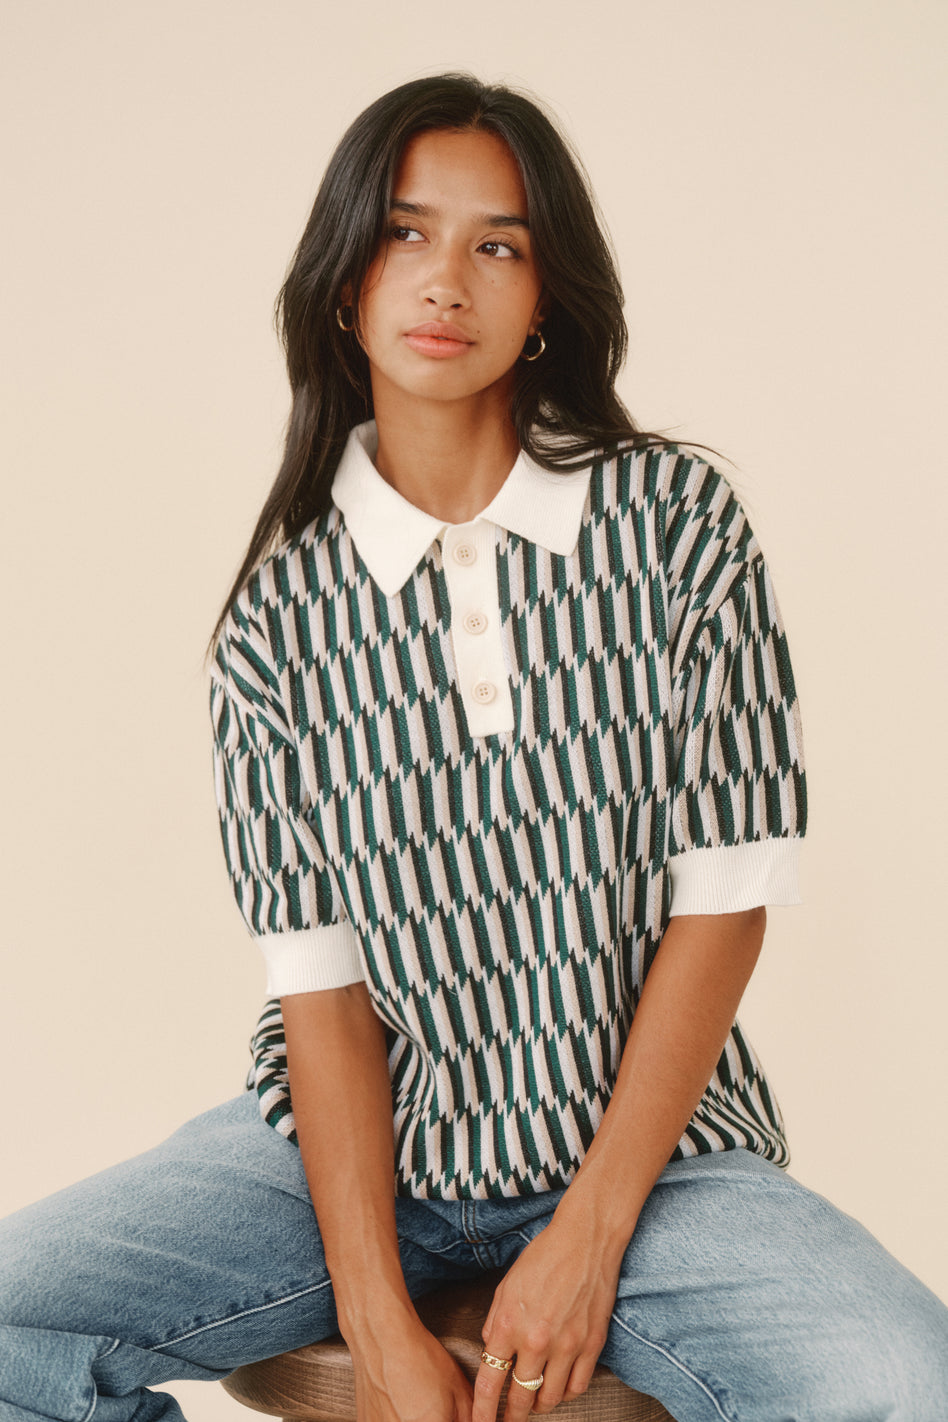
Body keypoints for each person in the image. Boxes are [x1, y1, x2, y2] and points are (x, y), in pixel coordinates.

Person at [2, 72, 947, 1422]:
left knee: (909, 1380)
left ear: (547, 294)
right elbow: (326, 999)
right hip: (352, 1165)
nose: (447, 279)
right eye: (407, 233)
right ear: (346, 281)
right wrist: (376, 1313)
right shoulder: (278, 621)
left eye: (498, 245)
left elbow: (723, 905)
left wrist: (587, 1238)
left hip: (655, 1166)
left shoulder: (678, 526)